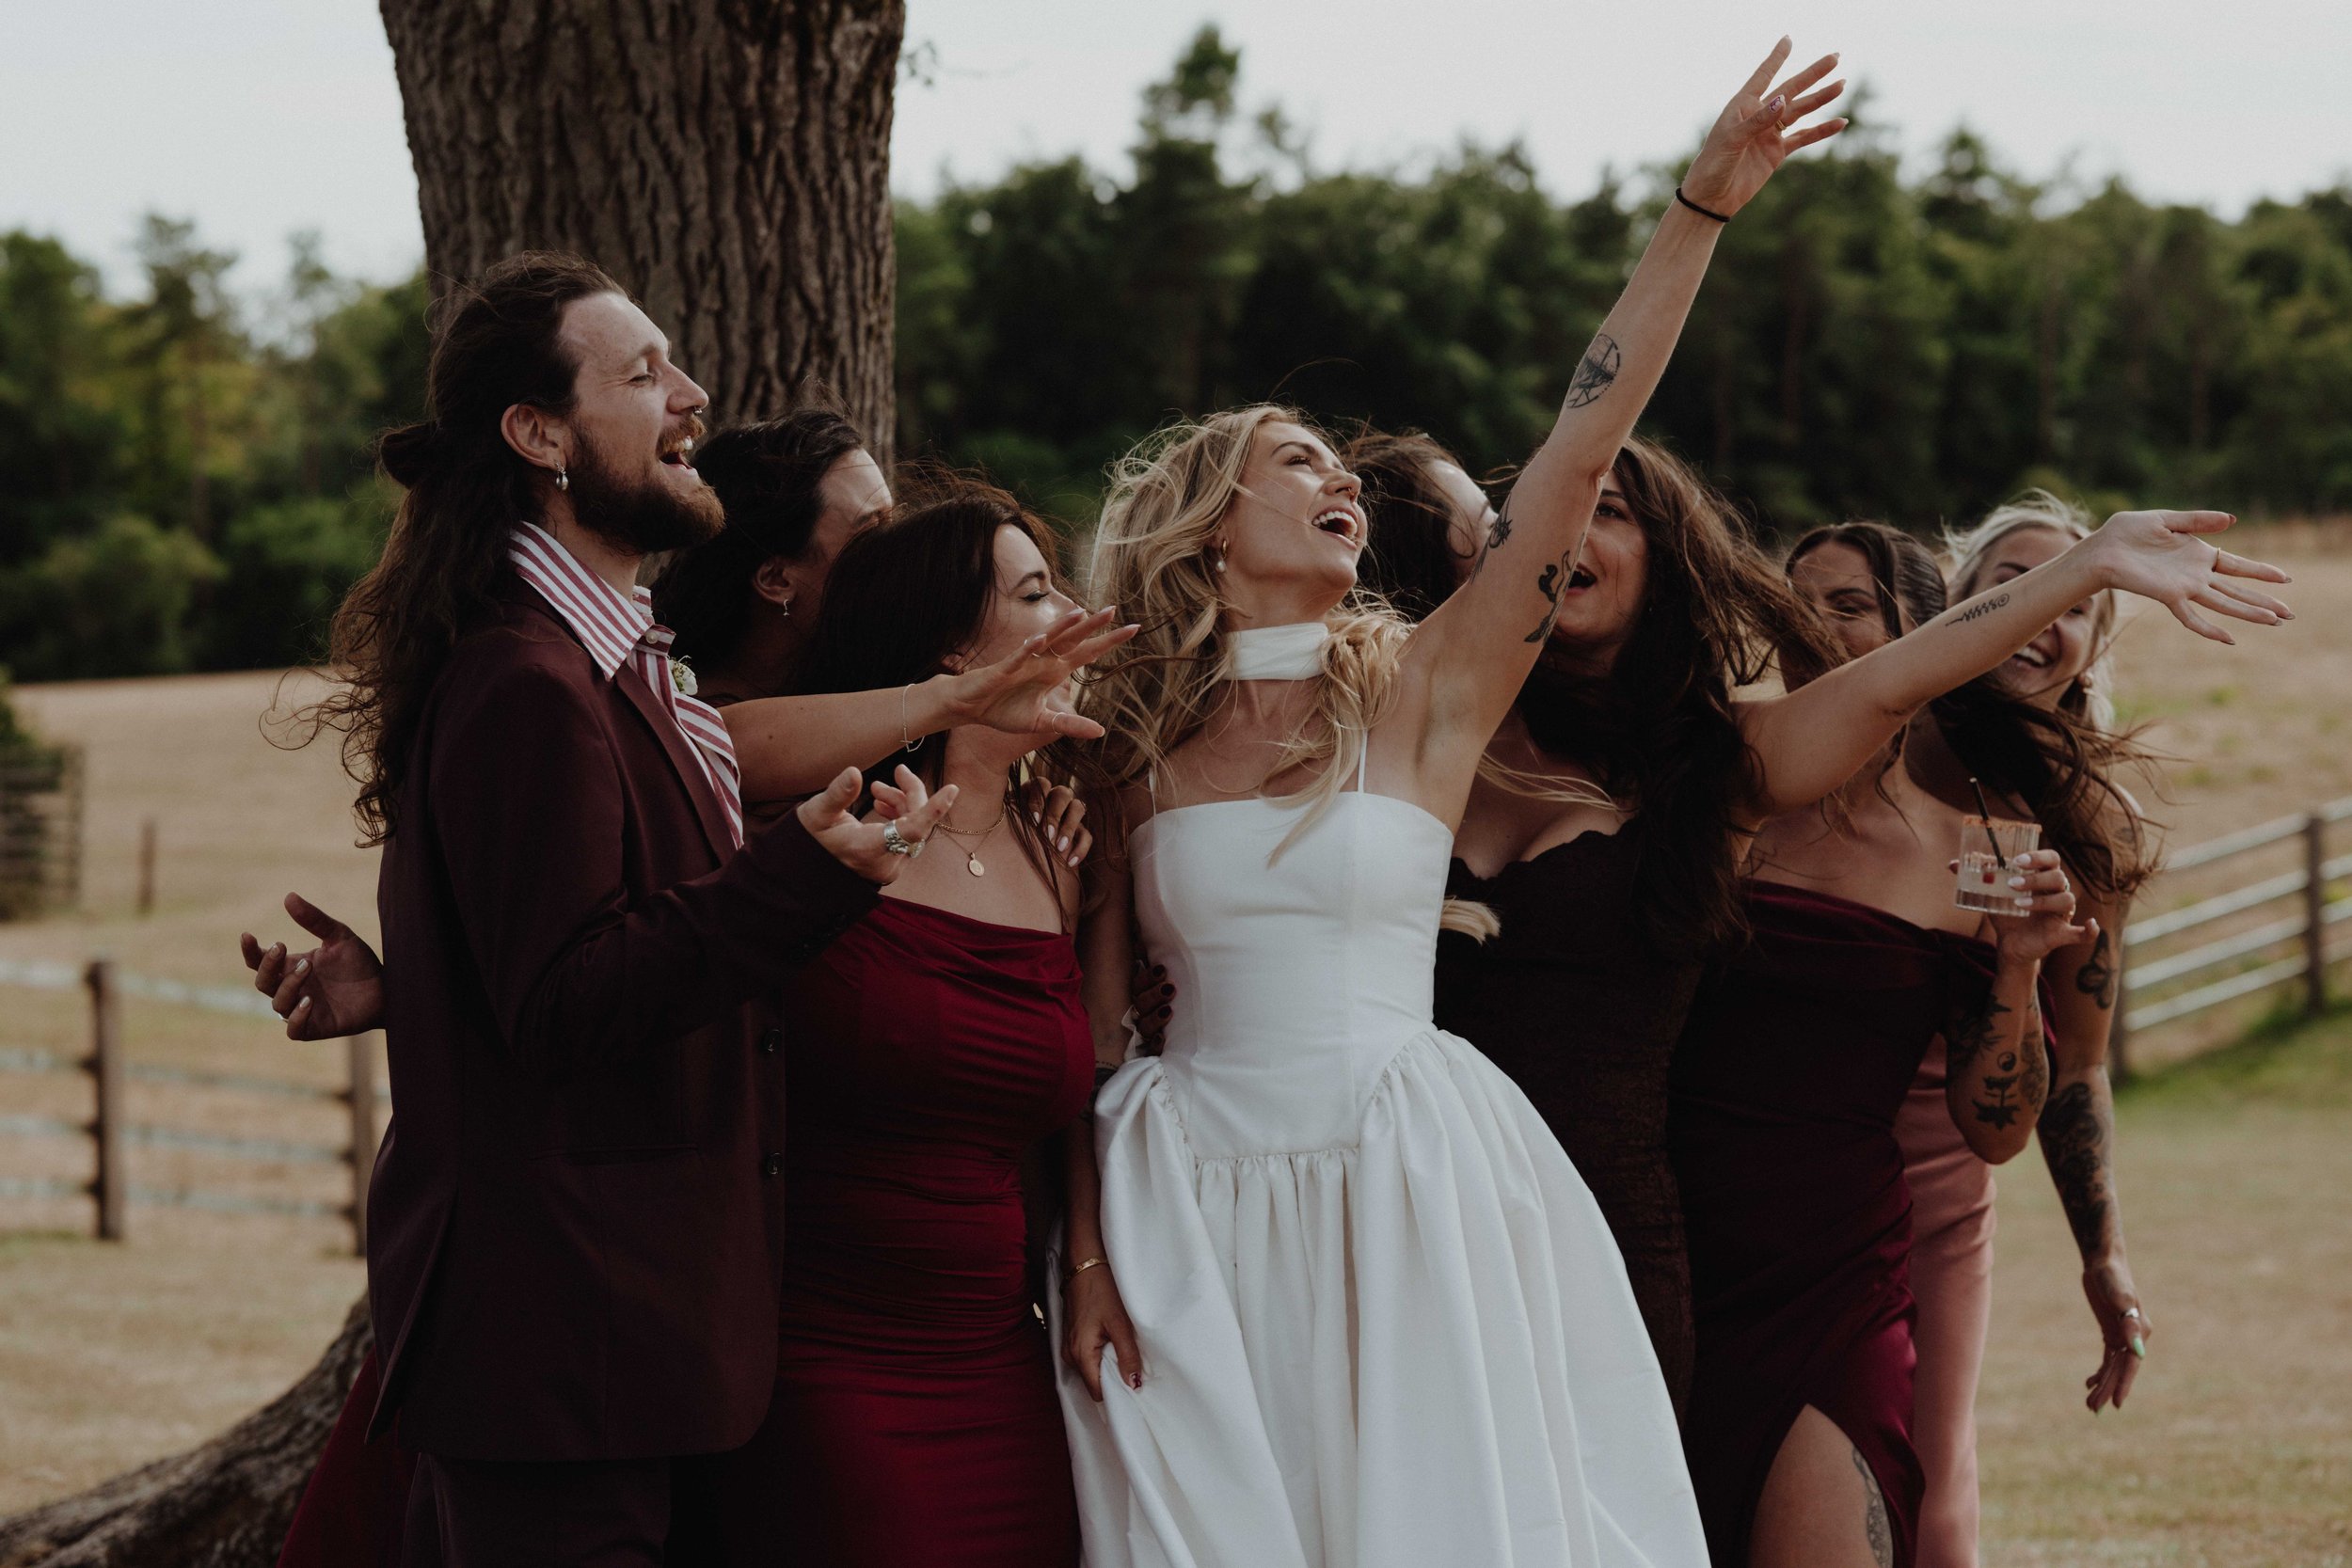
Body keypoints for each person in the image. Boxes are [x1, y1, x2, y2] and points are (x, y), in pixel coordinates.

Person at [1053, 42, 1851, 1568]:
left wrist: (1697, 208)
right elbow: (1098, 1040)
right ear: (1209, 528)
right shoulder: (1128, 749)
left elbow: (1580, 449)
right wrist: (1087, 1248)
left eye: (1341, 462)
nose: (1340, 474)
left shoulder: (1425, 693)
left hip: (1406, 1173)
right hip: (1186, 1195)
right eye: (1297, 463)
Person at [249, 252, 1123, 1567]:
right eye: (642, 373)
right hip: (562, 1347)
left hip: (640, 1343)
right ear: (540, 435)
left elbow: (549, 949)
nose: (692, 395)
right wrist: (815, 872)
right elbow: (568, 1001)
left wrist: (416, 983)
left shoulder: (617, 669)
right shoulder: (529, 681)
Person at [691, 483, 1102, 1565]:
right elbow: (708, 749)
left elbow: (1071, 1110)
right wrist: (942, 707)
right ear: (951, 650)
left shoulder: (1056, 850)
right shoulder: (828, 821)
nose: (1068, 608)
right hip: (826, 1362)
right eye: (1033, 591)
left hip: (1000, 1361)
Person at [1822, 499, 2156, 1568]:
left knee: (1927, 1478)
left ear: (2093, 642)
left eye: (2077, 601)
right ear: (1961, 606)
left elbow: (2079, 1067)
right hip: (1789, 1149)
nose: (2043, 612)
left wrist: (2100, 1254)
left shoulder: (2080, 823)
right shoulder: (1863, 733)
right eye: (2014, 581)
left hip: (1939, 1188)